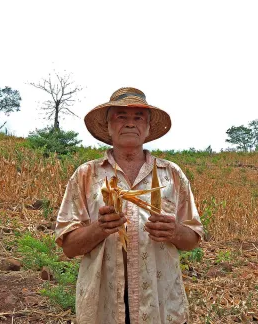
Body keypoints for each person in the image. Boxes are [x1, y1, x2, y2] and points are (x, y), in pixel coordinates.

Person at [55, 87, 204, 324]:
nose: (130, 123)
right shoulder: (86, 175)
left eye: (138, 117)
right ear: (109, 126)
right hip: (103, 306)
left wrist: (175, 231)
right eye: (121, 116)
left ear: (147, 128)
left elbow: (193, 239)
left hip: (160, 303)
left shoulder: (172, 174)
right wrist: (99, 228)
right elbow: (69, 247)